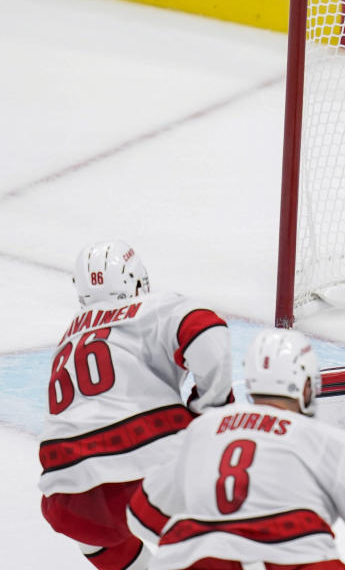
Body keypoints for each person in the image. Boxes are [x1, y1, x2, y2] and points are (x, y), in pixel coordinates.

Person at [126, 327, 345, 570]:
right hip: (292, 557)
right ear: (306, 387)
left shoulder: (202, 429)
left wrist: (208, 537)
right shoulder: (328, 441)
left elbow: (141, 514)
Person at [39, 240, 235, 570]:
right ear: (135, 279)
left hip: (65, 500)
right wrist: (211, 409)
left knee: (94, 526)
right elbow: (207, 333)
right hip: (146, 472)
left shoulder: (66, 341)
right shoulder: (150, 309)